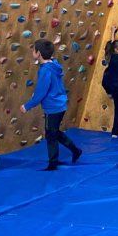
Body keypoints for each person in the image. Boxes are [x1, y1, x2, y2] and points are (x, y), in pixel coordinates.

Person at [20, 39, 83, 171]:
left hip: (53, 107)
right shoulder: (54, 65)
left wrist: (27, 106)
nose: (32, 52)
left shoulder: (45, 71)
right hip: (60, 104)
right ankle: (75, 150)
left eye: (34, 50)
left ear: (38, 54)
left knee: (51, 134)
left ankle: (53, 162)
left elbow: (40, 93)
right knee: (54, 132)